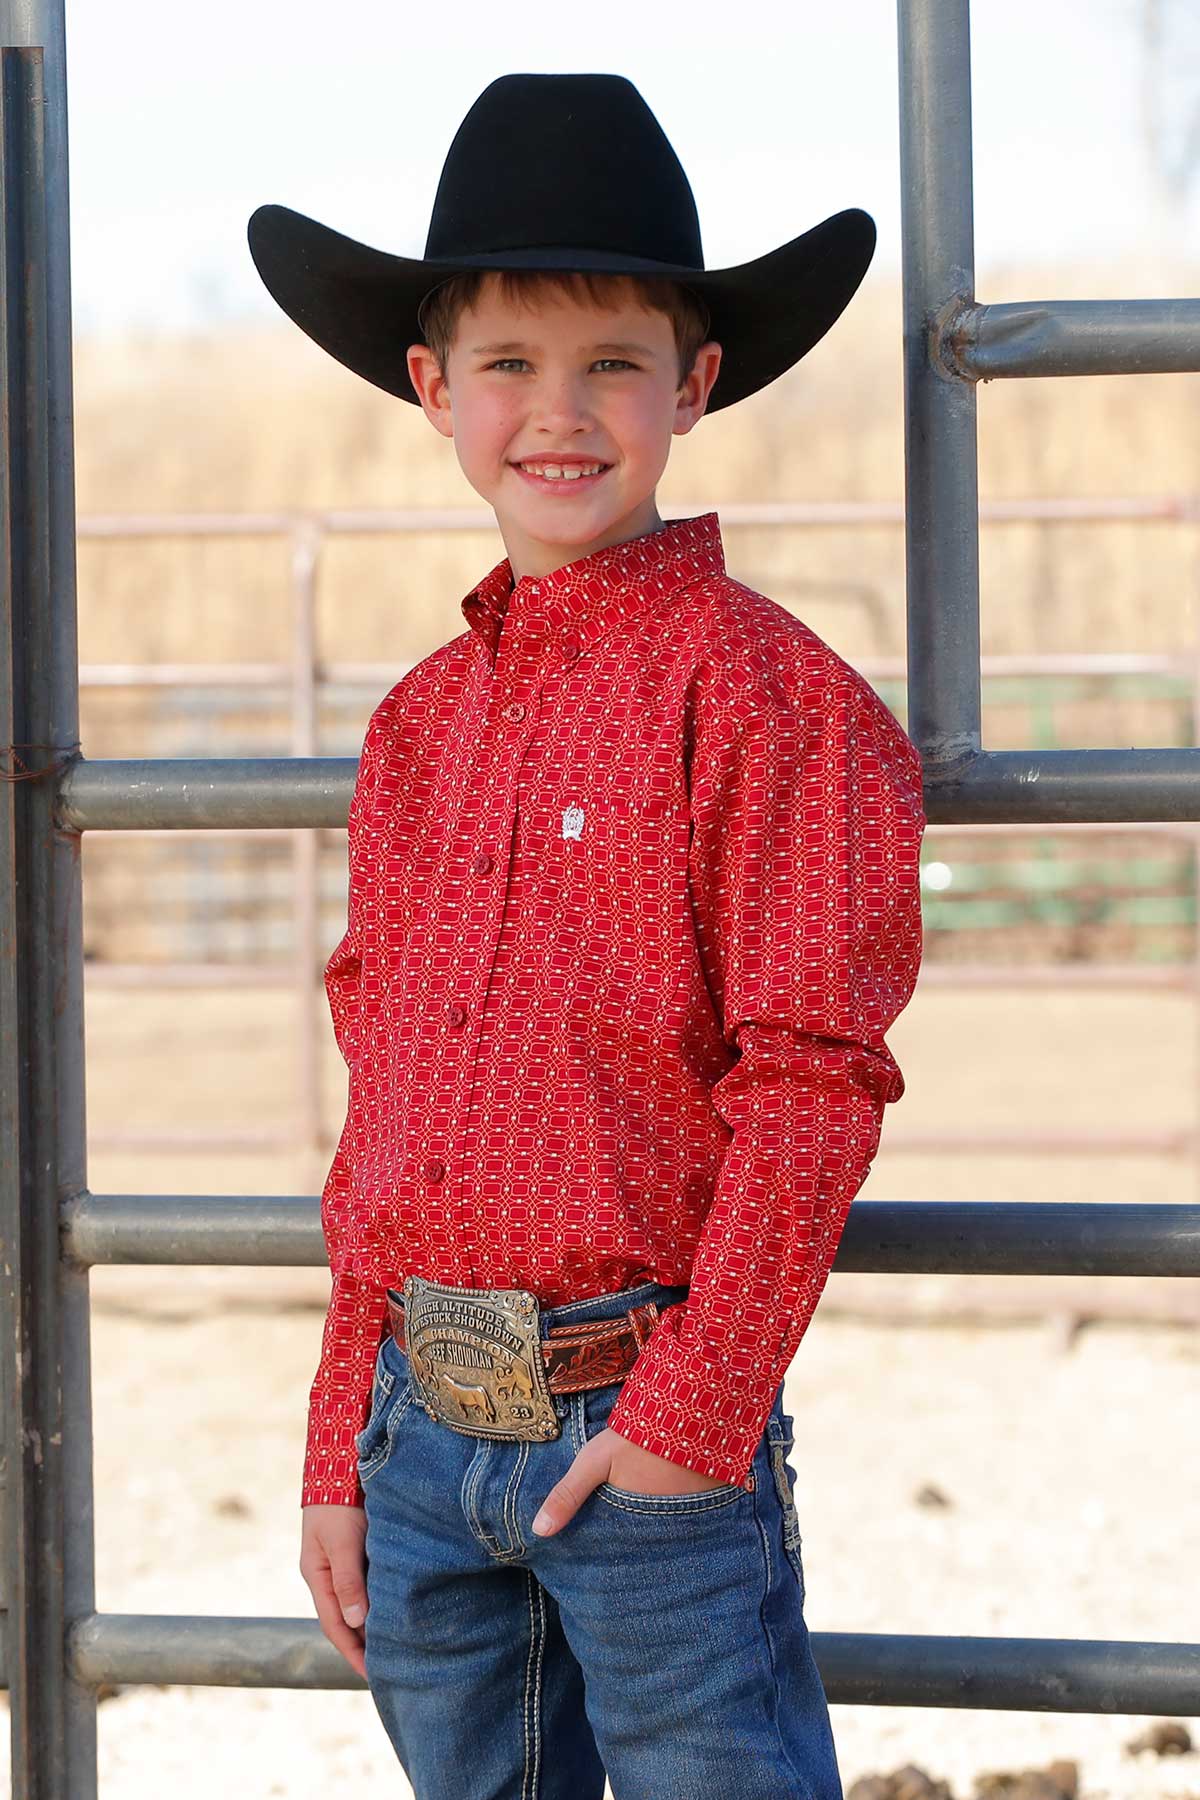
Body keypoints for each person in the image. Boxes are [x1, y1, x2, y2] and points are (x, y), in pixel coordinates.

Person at [248, 70, 925, 1800]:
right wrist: (340, 1441)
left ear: (694, 385)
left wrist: (693, 1417)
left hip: (644, 1414)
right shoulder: (415, 731)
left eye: (613, 362)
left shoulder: (774, 703)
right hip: (420, 1427)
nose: (560, 412)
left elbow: (811, 1083)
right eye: (509, 364)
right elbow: (383, 1107)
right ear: (435, 389)